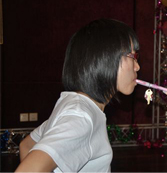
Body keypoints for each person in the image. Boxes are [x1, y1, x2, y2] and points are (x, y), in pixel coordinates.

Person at [16, 19, 140, 172]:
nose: (137, 66)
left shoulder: (74, 105)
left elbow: (27, 145)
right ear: (104, 58)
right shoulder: (81, 117)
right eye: (132, 56)